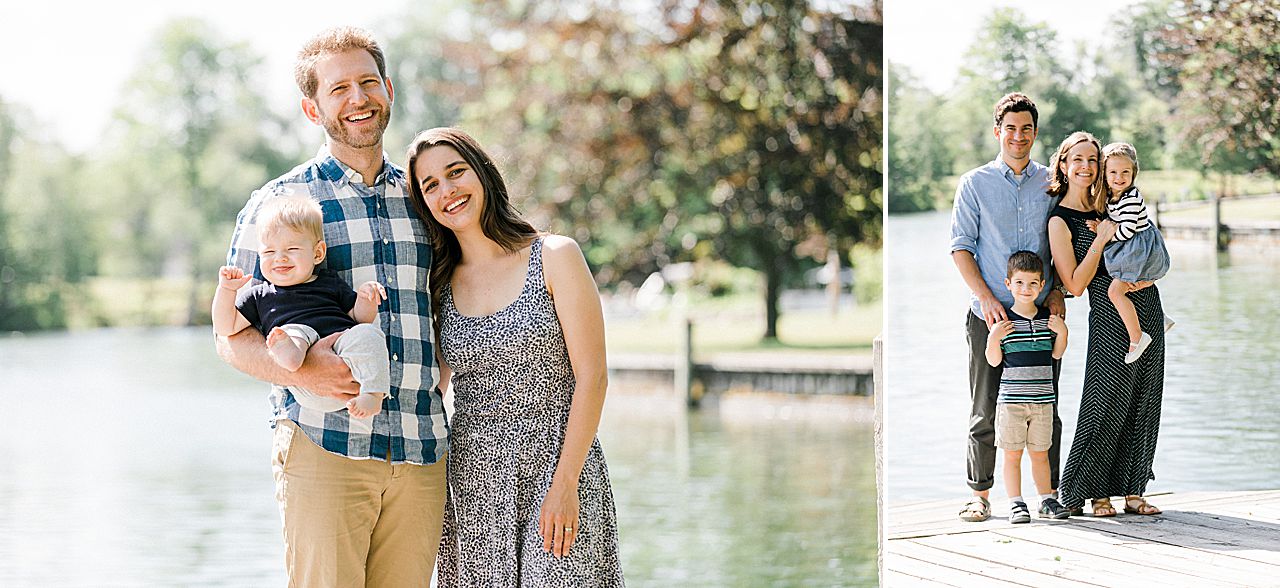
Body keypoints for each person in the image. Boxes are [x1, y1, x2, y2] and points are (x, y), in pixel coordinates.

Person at [214, 27, 448, 586]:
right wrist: (305, 372)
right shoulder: (278, 205)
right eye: (339, 88)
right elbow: (230, 335)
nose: (358, 99)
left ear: (389, 89)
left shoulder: (428, 195)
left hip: (423, 446)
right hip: (325, 443)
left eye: (369, 83)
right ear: (311, 108)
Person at [405, 127, 624, 586]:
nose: (447, 191)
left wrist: (566, 485)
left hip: (557, 467)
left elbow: (593, 377)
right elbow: (432, 386)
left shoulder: (554, 256)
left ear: (482, 172)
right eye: (430, 186)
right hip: (473, 484)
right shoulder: (439, 286)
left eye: (455, 172)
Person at [951, 92, 1066, 523]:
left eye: (1027, 129)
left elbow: (1062, 245)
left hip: (1040, 317)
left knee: (1045, 406)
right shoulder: (974, 183)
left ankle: (1050, 496)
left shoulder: (1051, 183)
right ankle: (979, 495)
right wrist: (984, 296)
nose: (1019, 136)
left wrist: (1058, 295)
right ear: (998, 131)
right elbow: (961, 248)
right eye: (1011, 128)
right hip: (990, 316)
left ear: (1035, 134)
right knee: (985, 407)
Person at [1046, 131, 1166, 518]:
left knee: (1145, 400)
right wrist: (1101, 240)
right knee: (1104, 403)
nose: (1086, 166)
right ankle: (1092, 492)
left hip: (1145, 304)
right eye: (1077, 159)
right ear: (1063, 165)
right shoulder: (1060, 220)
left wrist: (1148, 276)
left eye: (1092, 160)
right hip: (1110, 319)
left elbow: (1146, 245)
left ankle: (1134, 491)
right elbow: (1075, 286)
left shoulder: (1113, 205)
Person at [213, 197, 389, 419]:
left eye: (292, 248)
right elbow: (225, 327)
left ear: (317, 253)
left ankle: (374, 394)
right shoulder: (260, 295)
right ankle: (288, 353)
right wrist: (226, 290)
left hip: (347, 360)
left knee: (369, 333)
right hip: (308, 383)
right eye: (269, 252)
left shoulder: (329, 282)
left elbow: (359, 318)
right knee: (293, 332)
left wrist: (366, 298)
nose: (280, 258)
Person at [986, 251, 1070, 523]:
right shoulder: (1005, 322)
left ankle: (1046, 499)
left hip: (1043, 401)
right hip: (1011, 402)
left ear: (1042, 284)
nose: (1026, 289)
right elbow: (994, 360)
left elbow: (1057, 355)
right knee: (1012, 455)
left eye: (1033, 283)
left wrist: (1063, 333)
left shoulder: (1047, 320)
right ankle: (1015, 503)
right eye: (1020, 283)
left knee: (1040, 454)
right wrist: (993, 338)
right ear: (1008, 284)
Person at [1099, 142, 1172, 363]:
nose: (1119, 177)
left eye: (1125, 172)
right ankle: (1161, 319)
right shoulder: (1113, 195)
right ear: (1104, 173)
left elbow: (1128, 229)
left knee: (1116, 292)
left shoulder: (1131, 198)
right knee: (1132, 285)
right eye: (1112, 172)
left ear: (1134, 173)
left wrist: (1104, 236)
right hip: (1133, 248)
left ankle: (1137, 336)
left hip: (1137, 247)